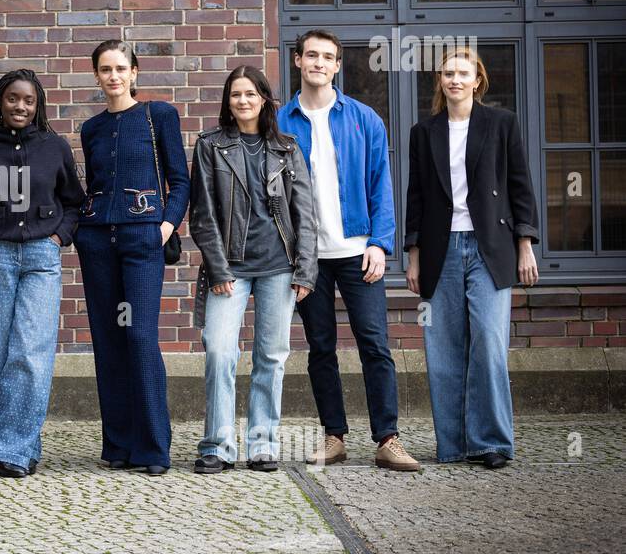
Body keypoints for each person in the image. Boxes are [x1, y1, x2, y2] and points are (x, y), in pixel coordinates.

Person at [278, 30, 419, 471]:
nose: (319, 63)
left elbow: (382, 186)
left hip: (358, 252)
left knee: (374, 344)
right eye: (311, 56)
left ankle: (388, 439)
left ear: (337, 66)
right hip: (307, 258)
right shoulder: (280, 123)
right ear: (298, 61)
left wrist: (380, 244)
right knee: (320, 347)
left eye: (328, 58)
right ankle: (334, 437)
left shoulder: (364, 119)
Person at [406, 47, 538, 469]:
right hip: (439, 249)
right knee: (442, 346)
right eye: (448, 74)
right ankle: (454, 444)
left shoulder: (502, 124)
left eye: (463, 73)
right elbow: (417, 197)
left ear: (477, 80)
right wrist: (413, 255)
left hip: (490, 248)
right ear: (441, 81)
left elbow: (520, 186)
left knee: (489, 343)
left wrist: (525, 244)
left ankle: (492, 442)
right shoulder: (423, 132)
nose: (455, 80)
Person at [189, 65, 317, 473]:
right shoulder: (210, 145)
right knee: (220, 351)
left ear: (264, 98)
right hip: (230, 269)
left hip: (279, 265)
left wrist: (306, 271)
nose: (242, 101)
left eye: (249, 94)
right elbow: (202, 214)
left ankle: (263, 444)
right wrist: (219, 267)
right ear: (227, 102)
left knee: (271, 356)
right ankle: (218, 445)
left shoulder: (286, 147)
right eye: (234, 95)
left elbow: (305, 213)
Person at [0, 70, 84, 478]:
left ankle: (2, 449)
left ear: (38, 105)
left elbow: (75, 204)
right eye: (13, 99)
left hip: (41, 259)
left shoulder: (55, 148)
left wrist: (58, 238)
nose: (21, 107)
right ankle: (20, 448)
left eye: (28, 100)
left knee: (30, 352)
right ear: (0, 102)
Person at [75, 40, 190, 475]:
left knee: (140, 336)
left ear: (135, 72)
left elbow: (180, 180)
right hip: (97, 242)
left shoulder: (159, 115)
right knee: (108, 341)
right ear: (96, 75)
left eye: (121, 68)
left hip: (143, 241)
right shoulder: (92, 129)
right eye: (105, 69)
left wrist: (165, 226)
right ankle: (119, 445)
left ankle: (153, 448)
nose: (113, 76)